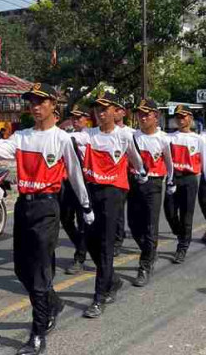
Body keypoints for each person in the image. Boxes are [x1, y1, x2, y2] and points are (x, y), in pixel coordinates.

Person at [0, 83, 93, 355]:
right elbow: (3, 149)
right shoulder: (22, 136)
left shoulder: (62, 139)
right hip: (24, 206)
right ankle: (52, 302)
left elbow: (75, 174)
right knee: (20, 270)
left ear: (53, 106)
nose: (35, 106)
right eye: (31, 102)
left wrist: (85, 206)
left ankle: (37, 333)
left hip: (47, 208)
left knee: (38, 272)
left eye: (41, 101)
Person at [71, 91, 146, 319]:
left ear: (116, 112)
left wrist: (141, 172)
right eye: (97, 109)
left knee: (104, 243)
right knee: (91, 241)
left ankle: (99, 296)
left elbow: (135, 158)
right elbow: (73, 139)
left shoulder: (124, 136)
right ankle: (112, 279)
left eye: (105, 109)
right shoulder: (89, 134)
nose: (100, 113)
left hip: (113, 192)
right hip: (91, 189)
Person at [127, 99, 174, 287]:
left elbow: (169, 163)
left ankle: (145, 266)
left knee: (150, 226)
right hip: (134, 182)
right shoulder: (132, 136)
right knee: (133, 224)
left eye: (147, 114)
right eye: (140, 113)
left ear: (156, 116)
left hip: (154, 184)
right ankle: (150, 251)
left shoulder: (164, 138)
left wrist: (170, 181)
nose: (142, 117)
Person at [164, 105, 206, 264]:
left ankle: (183, 246)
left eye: (184, 116)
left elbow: (205, 163)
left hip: (190, 179)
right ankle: (181, 234)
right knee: (170, 212)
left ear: (190, 118)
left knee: (186, 214)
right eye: (178, 117)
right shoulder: (169, 138)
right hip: (173, 179)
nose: (181, 119)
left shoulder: (198, 139)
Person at [62, 106, 90, 275]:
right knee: (66, 219)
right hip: (68, 182)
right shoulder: (68, 134)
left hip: (85, 183)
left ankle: (80, 257)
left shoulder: (88, 135)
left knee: (83, 221)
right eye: (73, 118)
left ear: (86, 119)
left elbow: (74, 138)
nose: (76, 120)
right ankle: (81, 244)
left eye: (79, 118)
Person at [113, 104, 135, 257]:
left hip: (131, 175)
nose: (115, 113)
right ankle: (117, 240)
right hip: (115, 177)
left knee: (135, 209)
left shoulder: (131, 133)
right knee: (117, 210)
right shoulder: (105, 132)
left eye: (118, 110)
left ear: (123, 112)